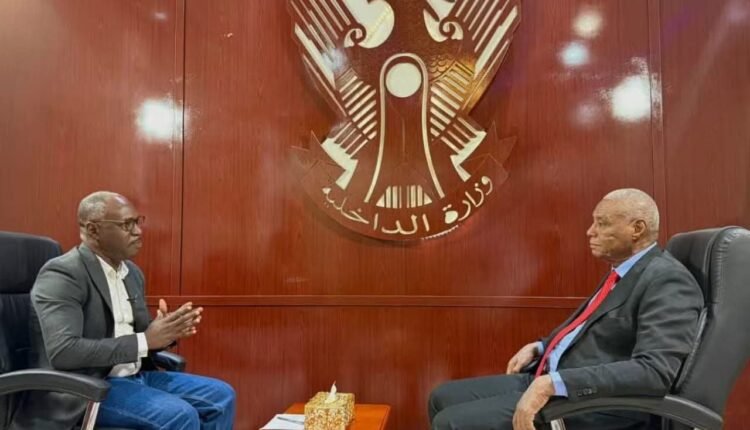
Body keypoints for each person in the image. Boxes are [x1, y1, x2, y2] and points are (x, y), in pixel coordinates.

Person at [428, 188, 704, 430]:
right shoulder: (625, 271)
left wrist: (554, 383)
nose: (590, 231)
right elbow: (592, 329)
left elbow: (654, 372)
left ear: (637, 229)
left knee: (452, 422)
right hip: (556, 378)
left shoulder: (667, 280)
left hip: (595, 403)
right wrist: (541, 346)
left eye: (602, 223)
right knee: (441, 397)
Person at [10, 191, 235, 430]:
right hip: (85, 387)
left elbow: (140, 338)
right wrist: (145, 340)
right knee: (180, 414)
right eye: (127, 224)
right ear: (93, 230)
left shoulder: (132, 273)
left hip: (135, 376)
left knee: (222, 396)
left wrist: (166, 331)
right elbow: (64, 351)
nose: (138, 231)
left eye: (138, 222)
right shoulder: (63, 274)